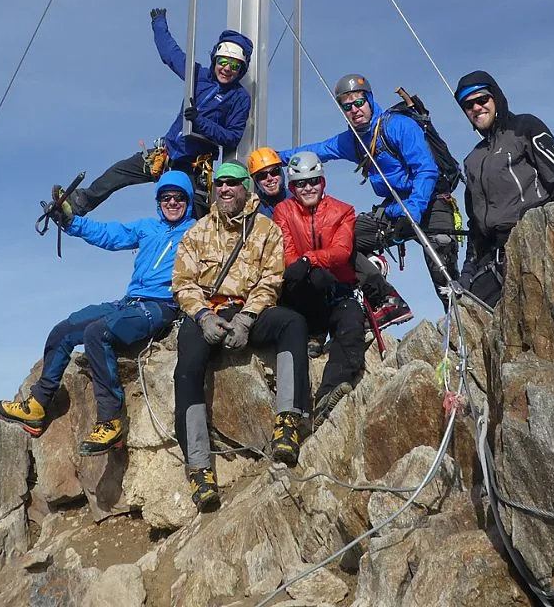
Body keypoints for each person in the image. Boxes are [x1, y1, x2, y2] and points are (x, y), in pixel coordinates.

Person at [0, 172, 197, 455]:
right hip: (129, 302)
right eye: (166, 197)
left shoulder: (198, 232)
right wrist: (70, 221)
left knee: (97, 333)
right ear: (159, 201)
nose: (172, 202)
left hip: (160, 307)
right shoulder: (148, 227)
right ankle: (38, 405)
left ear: (188, 201)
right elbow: (109, 234)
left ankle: (110, 422)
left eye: (179, 197)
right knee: (63, 330)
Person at [170, 161, 310, 512]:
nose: (225, 189)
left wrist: (247, 318)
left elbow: (271, 279)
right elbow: (183, 283)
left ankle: (287, 423)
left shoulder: (266, 228)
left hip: (248, 309)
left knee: (292, 323)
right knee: (186, 368)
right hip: (207, 313)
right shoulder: (197, 232)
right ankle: (200, 467)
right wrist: (202, 317)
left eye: (233, 183)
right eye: (220, 184)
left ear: (246, 187)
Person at [63, 9, 253, 218]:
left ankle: (200, 246)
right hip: (167, 153)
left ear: (241, 69)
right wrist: (158, 23)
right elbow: (170, 55)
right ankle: (78, 204)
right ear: (214, 60)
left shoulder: (239, 98)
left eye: (234, 65)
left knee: (194, 214)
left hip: (194, 165)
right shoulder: (197, 76)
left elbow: (232, 137)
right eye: (223, 62)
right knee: (119, 172)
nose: (227, 69)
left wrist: (201, 123)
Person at [285, 73, 449, 312]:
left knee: (443, 273)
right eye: (347, 106)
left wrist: (411, 213)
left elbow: (426, 170)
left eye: (359, 102)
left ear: (370, 101)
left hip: (430, 202)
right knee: (342, 238)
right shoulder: (354, 141)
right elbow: (316, 150)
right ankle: (385, 297)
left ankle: (459, 324)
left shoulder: (397, 125)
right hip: (394, 209)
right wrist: (270, 160)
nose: (354, 110)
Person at [454, 70, 554, 307]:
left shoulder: (524, 128)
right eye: (468, 105)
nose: (476, 108)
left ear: (495, 97)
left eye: (482, 99)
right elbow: (476, 226)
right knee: (466, 316)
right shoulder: (472, 160)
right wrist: (468, 271)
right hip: (494, 257)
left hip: (533, 242)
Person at [272, 151, 367, 428]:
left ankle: (330, 392)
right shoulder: (284, 211)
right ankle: (314, 331)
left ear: (323, 182)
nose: (308, 187)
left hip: (336, 290)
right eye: (301, 184)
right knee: (309, 278)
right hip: (303, 292)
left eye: (314, 181)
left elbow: (341, 251)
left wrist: (308, 259)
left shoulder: (343, 210)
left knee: (351, 322)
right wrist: (304, 264)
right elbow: (287, 254)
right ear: (292, 188)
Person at [247, 146, 288, 218]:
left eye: (274, 172)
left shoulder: (298, 201)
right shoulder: (251, 208)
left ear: (281, 173)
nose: (269, 178)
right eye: (262, 176)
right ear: (256, 181)